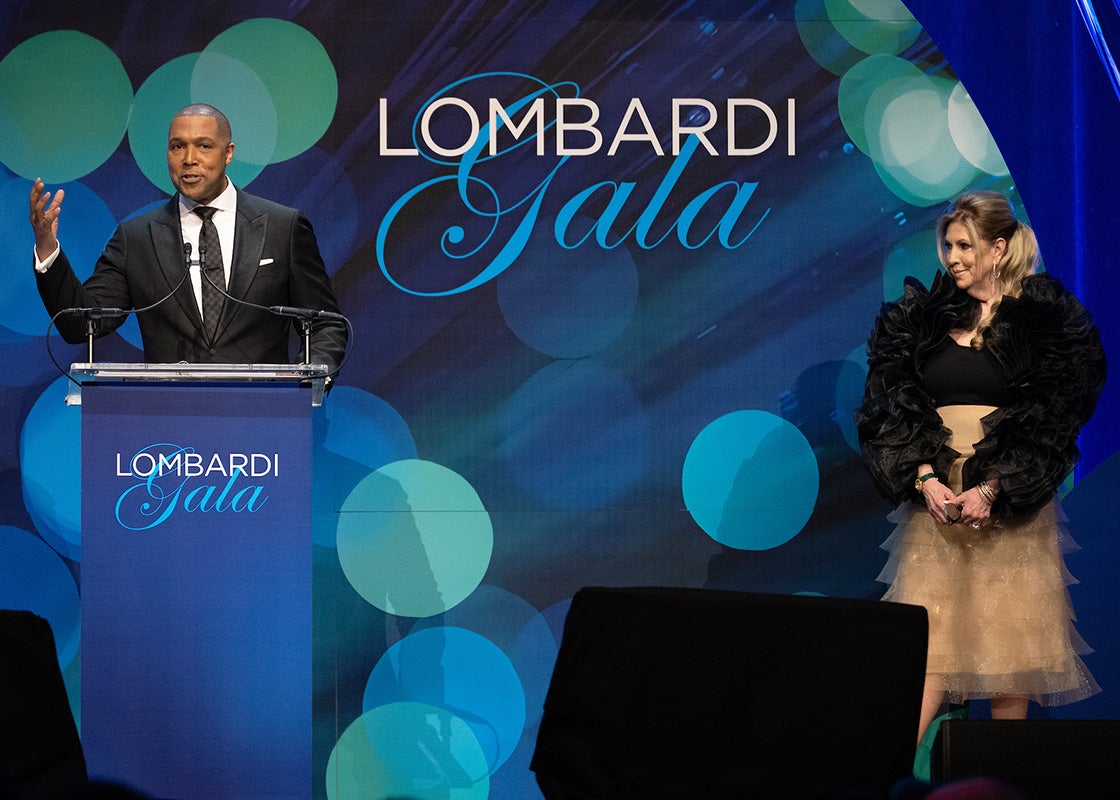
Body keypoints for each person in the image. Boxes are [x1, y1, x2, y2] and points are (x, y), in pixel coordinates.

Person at [855, 190, 1106, 748]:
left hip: (1008, 502)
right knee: (928, 653)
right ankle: (892, 782)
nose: (953, 257)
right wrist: (926, 480)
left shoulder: (1044, 323)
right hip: (938, 501)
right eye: (947, 245)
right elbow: (892, 404)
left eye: (965, 245)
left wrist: (994, 488)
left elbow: (1055, 414)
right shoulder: (922, 320)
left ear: (998, 248)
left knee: (1008, 656)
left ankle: (995, 783)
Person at [28, 103, 347, 375]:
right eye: (177, 146)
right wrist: (47, 247)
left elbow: (324, 324)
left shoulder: (283, 227)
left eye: (204, 146)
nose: (189, 158)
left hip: (264, 422)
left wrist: (309, 382)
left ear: (229, 153)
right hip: (170, 425)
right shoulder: (137, 238)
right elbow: (81, 324)